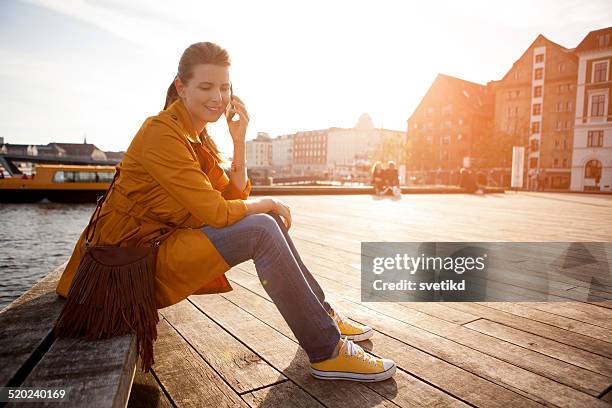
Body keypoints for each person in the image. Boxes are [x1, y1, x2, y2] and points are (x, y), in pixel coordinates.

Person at [56, 42, 395, 382]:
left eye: (224, 87)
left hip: (150, 251)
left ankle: (322, 317)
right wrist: (270, 202)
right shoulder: (160, 133)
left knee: (265, 222)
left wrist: (238, 140)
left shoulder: (196, 137)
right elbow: (219, 212)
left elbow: (233, 196)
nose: (217, 97)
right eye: (205, 87)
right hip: (117, 270)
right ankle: (327, 351)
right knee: (262, 226)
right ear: (181, 87)